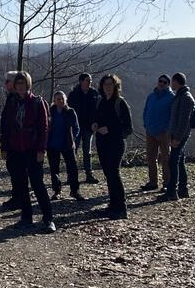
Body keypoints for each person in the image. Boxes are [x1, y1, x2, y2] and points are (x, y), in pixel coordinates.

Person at [0, 72, 55, 233]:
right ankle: (26, 217)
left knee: (38, 184)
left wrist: (41, 149)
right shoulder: (11, 103)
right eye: (18, 83)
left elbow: (44, 128)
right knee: (20, 185)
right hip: (15, 150)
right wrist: (4, 147)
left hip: (32, 149)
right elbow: (5, 126)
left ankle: (48, 219)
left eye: (23, 83)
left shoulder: (37, 102)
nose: (20, 87)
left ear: (28, 84)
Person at [92, 74, 133, 220]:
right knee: (108, 174)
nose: (108, 87)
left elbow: (128, 128)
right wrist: (95, 124)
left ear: (116, 86)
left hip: (116, 143)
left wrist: (109, 129)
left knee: (114, 173)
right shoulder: (100, 102)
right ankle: (113, 205)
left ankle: (121, 208)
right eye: (105, 84)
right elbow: (96, 118)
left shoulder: (120, 103)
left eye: (110, 84)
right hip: (102, 143)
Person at [162, 72, 195, 201]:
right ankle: (183, 189)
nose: (171, 84)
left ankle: (172, 191)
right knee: (179, 160)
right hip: (177, 134)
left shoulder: (186, 97)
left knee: (173, 161)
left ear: (176, 82)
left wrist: (177, 138)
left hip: (180, 135)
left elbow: (183, 121)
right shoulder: (180, 96)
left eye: (172, 81)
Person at [141, 74, 174, 191]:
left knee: (166, 158)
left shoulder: (172, 97)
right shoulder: (151, 96)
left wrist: (168, 129)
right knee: (151, 158)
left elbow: (173, 115)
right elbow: (146, 110)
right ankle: (153, 182)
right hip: (150, 131)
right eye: (160, 81)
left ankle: (167, 183)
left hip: (164, 132)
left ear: (168, 84)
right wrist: (146, 124)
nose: (162, 83)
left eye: (165, 82)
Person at [47, 90, 82, 201]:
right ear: (54, 100)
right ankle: (57, 191)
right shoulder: (49, 112)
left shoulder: (70, 112)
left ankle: (75, 191)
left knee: (72, 168)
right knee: (54, 169)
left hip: (67, 144)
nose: (61, 101)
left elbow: (76, 128)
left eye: (62, 99)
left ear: (65, 100)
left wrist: (72, 139)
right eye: (58, 99)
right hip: (53, 145)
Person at [68, 73, 100, 184]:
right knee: (73, 151)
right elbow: (69, 111)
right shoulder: (73, 94)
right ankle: (71, 175)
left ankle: (89, 174)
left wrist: (95, 122)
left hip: (88, 127)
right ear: (81, 81)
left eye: (90, 80)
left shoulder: (94, 94)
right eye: (87, 80)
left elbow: (97, 110)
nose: (90, 82)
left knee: (87, 151)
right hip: (76, 127)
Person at [0, 71, 21, 210]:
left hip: (15, 142)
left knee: (17, 171)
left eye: (8, 81)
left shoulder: (16, 99)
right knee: (13, 170)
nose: (5, 83)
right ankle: (17, 197)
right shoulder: (11, 98)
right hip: (10, 141)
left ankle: (18, 198)